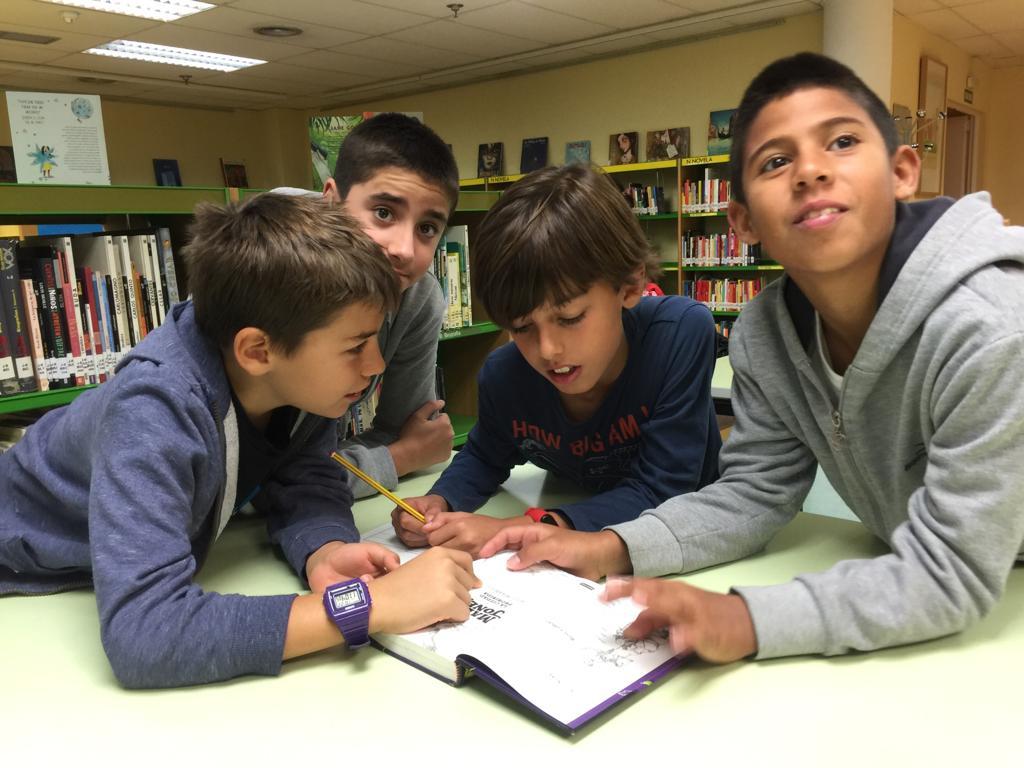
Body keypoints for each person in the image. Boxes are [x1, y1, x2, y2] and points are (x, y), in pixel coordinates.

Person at [480, 52, 1024, 663]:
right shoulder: (766, 334)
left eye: (842, 141)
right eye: (776, 161)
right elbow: (755, 493)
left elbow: (953, 568)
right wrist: (610, 546)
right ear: (741, 221)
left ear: (901, 172)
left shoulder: (989, 322)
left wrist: (747, 619)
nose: (811, 171)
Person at [0, 194, 478, 688]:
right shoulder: (153, 408)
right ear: (257, 350)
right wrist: (368, 606)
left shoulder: (300, 384)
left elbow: (307, 477)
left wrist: (324, 548)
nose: (375, 364)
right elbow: (146, 634)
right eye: (356, 345)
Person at [392, 163, 722, 556]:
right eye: (522, 327)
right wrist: (441, 500)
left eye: (570, 318)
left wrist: (526, 528)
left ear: (630, 286)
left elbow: (663, 489)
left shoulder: (679, 333)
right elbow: (484, 455)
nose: (548, 350)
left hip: (688, 544)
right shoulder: (504, 376)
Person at [276, 112, 459, 499]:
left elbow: (407, 430)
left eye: (427, 228)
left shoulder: (418, 298)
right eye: (384, 213)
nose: (404, 250)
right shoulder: (264, 266)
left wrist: (395, 450)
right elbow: (254, 478)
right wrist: (399, 458)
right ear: (331, 201)